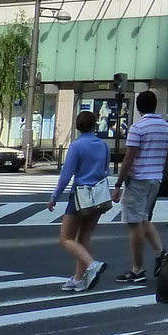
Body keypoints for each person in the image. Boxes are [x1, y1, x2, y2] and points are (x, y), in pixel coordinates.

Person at [111, 90, 168, 284]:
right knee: (143, 218)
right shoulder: (166, 128)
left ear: (138, 107)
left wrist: (117, 184)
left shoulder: (137, 127)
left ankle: (137, 268)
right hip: (155, 179)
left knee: (134, 224)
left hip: (139, 179)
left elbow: (129, 158)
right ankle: (160, 253)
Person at [48, 110, 111, 292]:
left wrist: (54, 197)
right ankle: (78, 279)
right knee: (84, 237)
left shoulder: (76, 146)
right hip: (99, 196)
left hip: (80, 195)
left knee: (66, 238)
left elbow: (66, 175)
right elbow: (106, 170)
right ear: (95, 124)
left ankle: (92, 265)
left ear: (77, 126)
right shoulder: (104, 145)